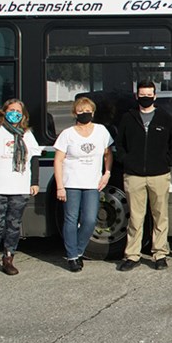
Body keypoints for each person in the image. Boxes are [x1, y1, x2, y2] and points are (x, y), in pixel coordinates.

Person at [114, 81, 172, 271]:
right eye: (142, 94)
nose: (145, 97)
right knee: (135, 218)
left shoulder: (164, 118)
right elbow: (119, 145)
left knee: (160, 216)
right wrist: (127, 161)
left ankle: (160, 254)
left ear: (155, 96)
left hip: (159, 175)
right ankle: (132, 256)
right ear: (137, 96)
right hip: (134, 175)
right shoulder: (128, 118)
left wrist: (166, 161)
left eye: (149, 94)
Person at [0, 99, 41, 278]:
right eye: (11, 110)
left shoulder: (27, 134)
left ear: (23, 115)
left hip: (19, 188)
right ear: (3, 112)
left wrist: (34, 182)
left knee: (13, 226)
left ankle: (8, 259)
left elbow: (35, 158)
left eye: (18, 111)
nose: (14, 114)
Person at [53, 97, 114, 272]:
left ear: (93, 112)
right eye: (80, 111)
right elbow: (58, 161)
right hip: (71, 183)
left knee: (89, 220)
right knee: (71, 220)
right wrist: (60, 186)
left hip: (93, 184)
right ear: (75, 113)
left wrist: (107, 173)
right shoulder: (67, 134)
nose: (84, 113)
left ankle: (79, 251)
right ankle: (72, 256)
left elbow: (108, 154)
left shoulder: (101, 131)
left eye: (87, 110)